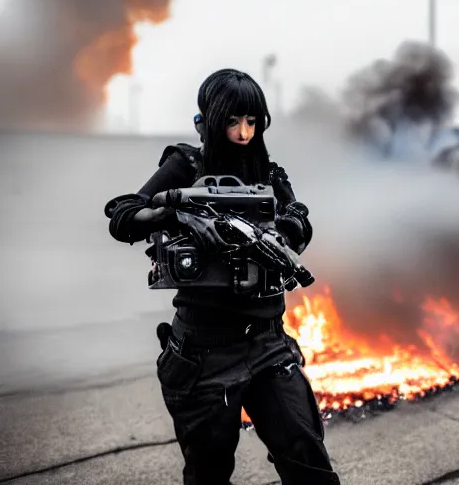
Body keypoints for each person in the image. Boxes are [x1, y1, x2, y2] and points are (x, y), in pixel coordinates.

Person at [104, 68, 341, 485]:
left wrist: (281, 233)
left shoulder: (269, 173)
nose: (244, 132)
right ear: (211, 119)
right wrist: (173, 213)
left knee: (310, 467)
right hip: (204, 352)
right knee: (209, 475)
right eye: (233, 121)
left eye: (252, 121)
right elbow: (123, 213)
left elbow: (299, 217)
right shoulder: (187, 164)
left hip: (268, 345)